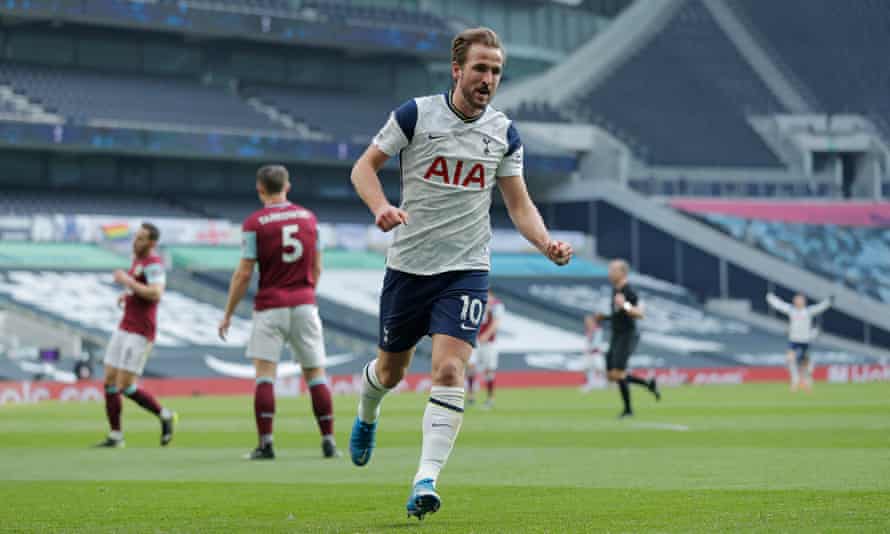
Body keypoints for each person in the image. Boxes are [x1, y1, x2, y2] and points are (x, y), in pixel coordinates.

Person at [348, 27, 573, 520]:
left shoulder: (504, 133)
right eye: (480, 68)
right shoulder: (415, 114)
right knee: (390, 372)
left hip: (466, 269)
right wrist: (381, 207)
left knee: (450, 370)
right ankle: (367, 411)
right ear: (457, 70)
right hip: (408, 266)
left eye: (495, 70)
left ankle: (424, 480)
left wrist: (546, 243)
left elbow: (519, 205)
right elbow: (363, 168)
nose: (488, 78)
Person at [218, 165, 338, 460]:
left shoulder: (254, 224)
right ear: (288, 186)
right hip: (304, 304)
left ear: (260, 188)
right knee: (315, 375)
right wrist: (307, 293)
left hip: (270, 306)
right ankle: (329, 441)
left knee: (265, 377)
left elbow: (244, 273)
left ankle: (266, 443)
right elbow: (317, 266)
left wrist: (228, 314)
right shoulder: (310, 219)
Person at [96, 222, 176, 448]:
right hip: (125, 326)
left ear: (152, 243)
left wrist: (127, 282)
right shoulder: (138, 261)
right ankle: (115, 435)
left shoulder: (154, 264)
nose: (135, 241)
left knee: (126, 386)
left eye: (141, 239)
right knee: (109, 380)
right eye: (135, 237)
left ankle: (165, 415)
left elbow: (156, 293)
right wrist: (127, 293)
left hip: (141, 331)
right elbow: (140, 288)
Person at [595, 259, 660, 418]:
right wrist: (605, 317)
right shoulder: (615, 290)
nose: (610, 273)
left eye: (613, 270)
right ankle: (648, 384)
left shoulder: (629, 291)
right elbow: (619, 315)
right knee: (612, 375)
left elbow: (640, 313)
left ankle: (628, 410)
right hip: (616, 335)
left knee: (618, 373)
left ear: (622, 273)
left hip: (628, 335)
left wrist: (625, 305)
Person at [766, 292, 832, 392]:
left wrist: (828, 301)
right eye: (796, 299)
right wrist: (771, 298)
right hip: (794, 340)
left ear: (803, 301)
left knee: (805, 364)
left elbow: (820, 307)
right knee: (790, 359)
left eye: (800, 299)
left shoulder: (808, 311)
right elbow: (780, 305)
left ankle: (806, 381)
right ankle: (795, 380)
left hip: (805, 340)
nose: (798, 301)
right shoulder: (791, 310)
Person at [466, 290, 504, 408]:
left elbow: (496, 323)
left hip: (488, 342)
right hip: (474, 340)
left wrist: (486, 335)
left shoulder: (496, 304)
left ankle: (490, 398)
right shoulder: (474, 301)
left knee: (489, 370)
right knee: (470, 366)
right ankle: (471, 396)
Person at [579, 314, 606, 393]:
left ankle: (605, 382)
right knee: (587, 368)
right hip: (589, 353)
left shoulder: (597, 330)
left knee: (600, 368)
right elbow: (587, 342)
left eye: (588, 321)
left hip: (596, 353)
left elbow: (596, 343)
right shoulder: (588, 330)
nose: (586, 322)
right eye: (586, 321)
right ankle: (589, 384)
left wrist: (591, 349)